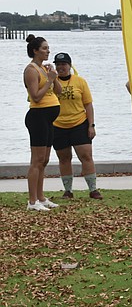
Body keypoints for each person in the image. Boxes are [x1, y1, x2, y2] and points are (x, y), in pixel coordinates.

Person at [51, 52, 102, 199]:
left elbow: (88, 105)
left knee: (86, 156)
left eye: (63, 64)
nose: (61, 67)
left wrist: (91, 125)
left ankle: (93, 189)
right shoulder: (51, 82)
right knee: (64, 158)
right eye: (58, 64)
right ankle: (68, 190)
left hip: (79, 123)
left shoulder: (80, 81)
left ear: (69, 66)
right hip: (58, 125)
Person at [23, 35, 62, 211]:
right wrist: (49, 80)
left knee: (44, 160)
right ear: (35, 50)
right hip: (37, 117)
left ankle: (41, 197)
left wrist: (53, 76)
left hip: (49, 118)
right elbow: (36, 97)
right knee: (37, 160)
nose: (48, 51)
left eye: (48, 48)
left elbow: (59, 92)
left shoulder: (44, 69)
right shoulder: (31, 70)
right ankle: (32, 201)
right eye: (45, 48)